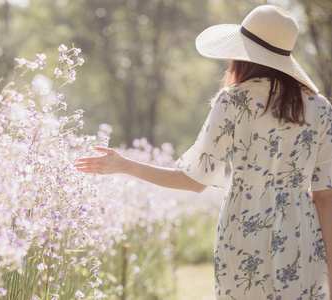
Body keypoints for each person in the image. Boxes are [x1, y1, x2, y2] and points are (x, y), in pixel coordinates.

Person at [74, 5, 332, 300]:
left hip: (243, 230)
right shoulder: (320, 108)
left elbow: (193, 181)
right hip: (301, 235)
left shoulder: (233, 100)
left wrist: (125, 165)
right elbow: (325, 196)